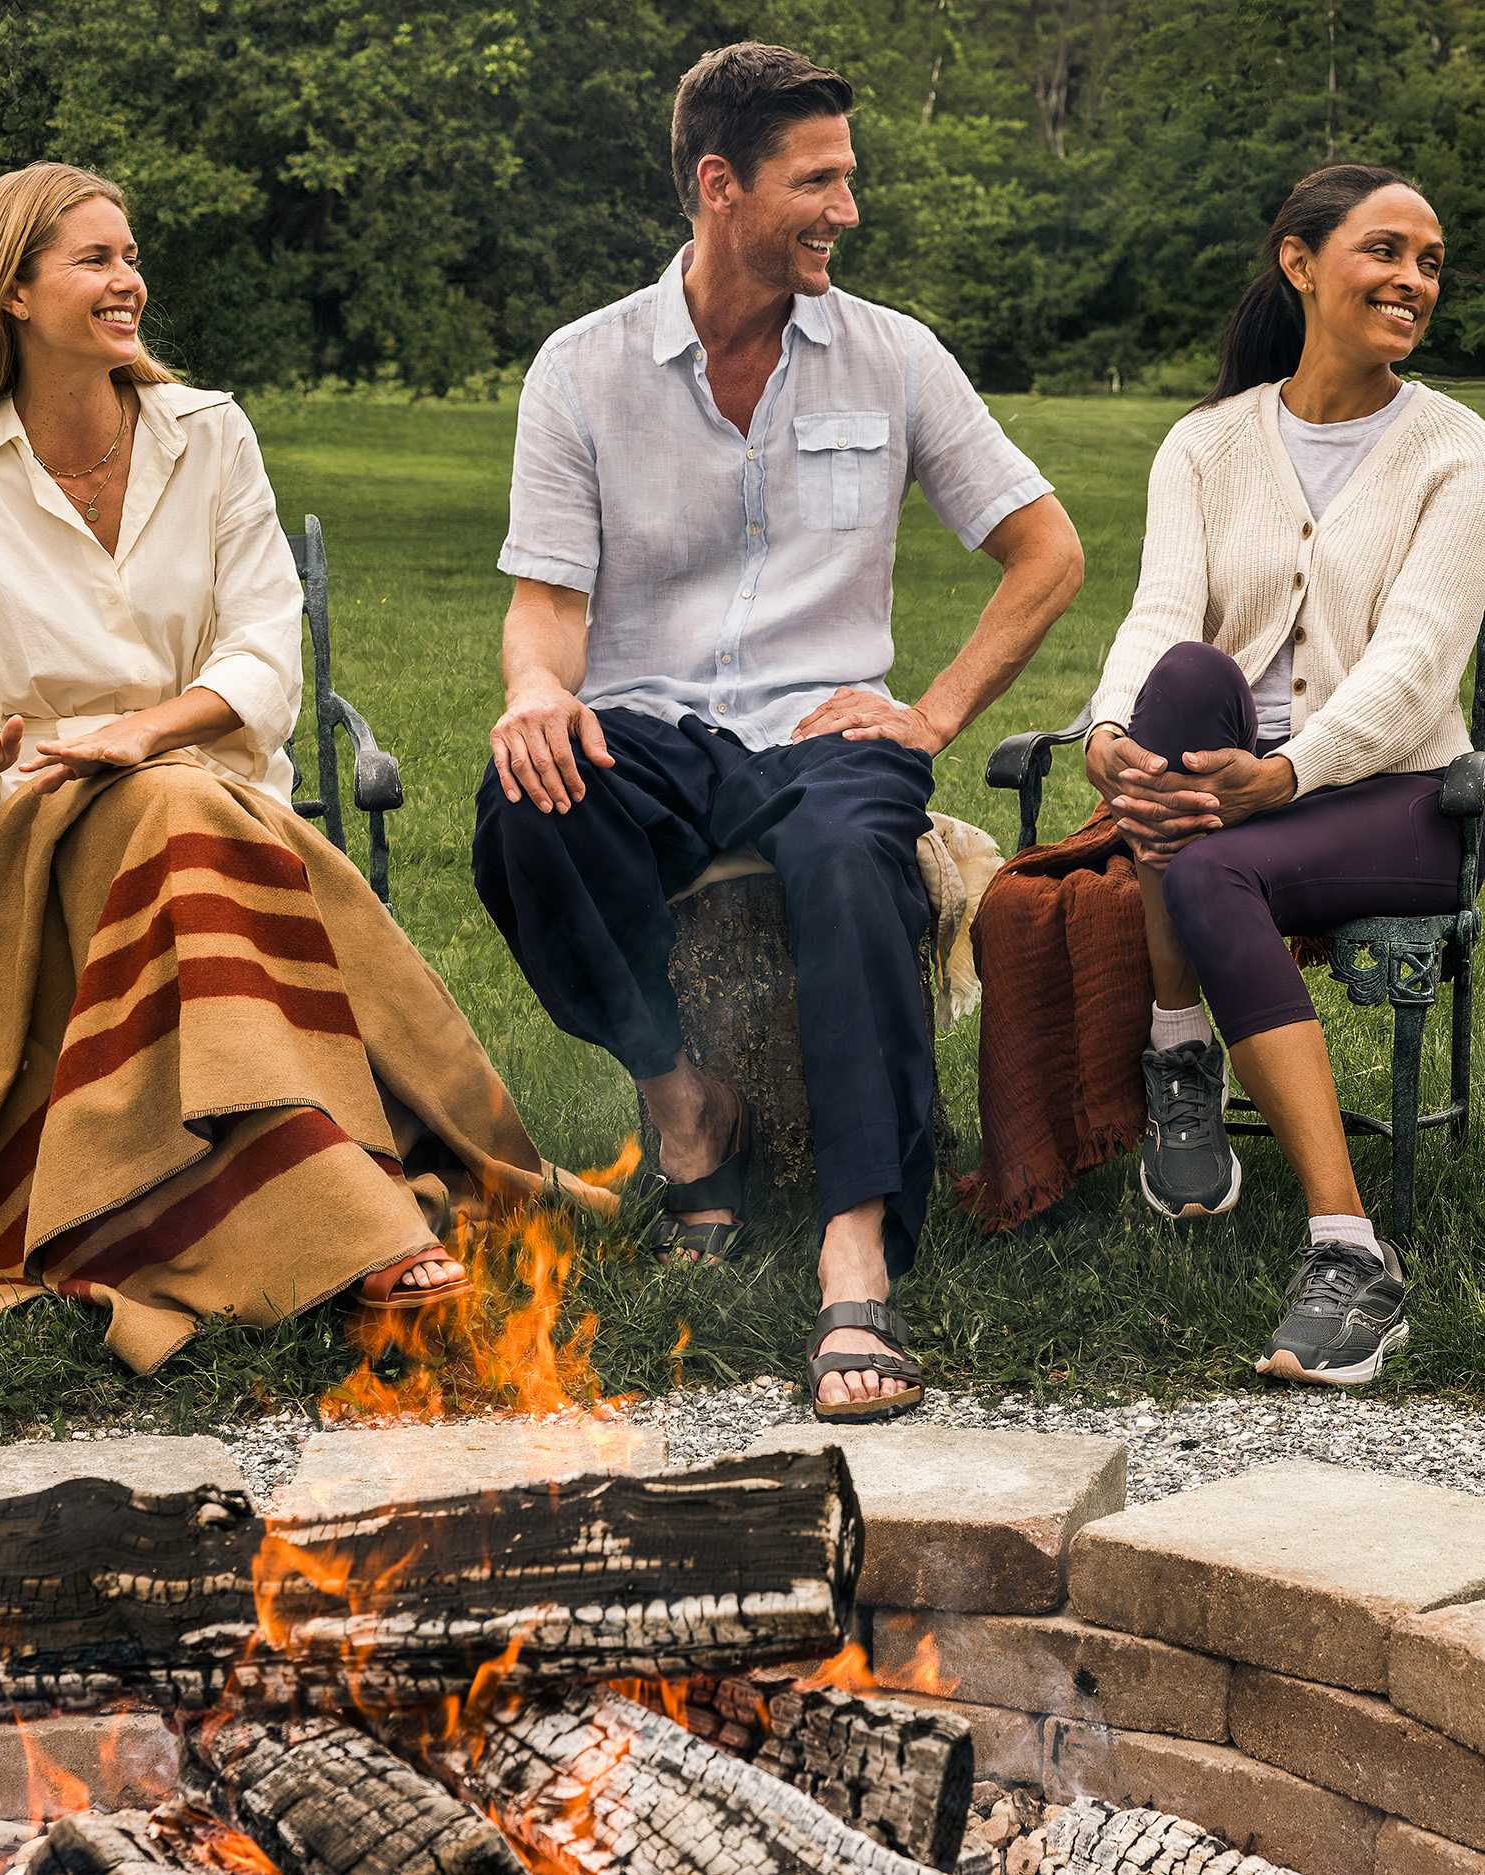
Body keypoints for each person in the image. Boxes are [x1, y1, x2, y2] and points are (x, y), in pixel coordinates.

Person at [472, 43, 1083, 1422]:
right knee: (523, 807)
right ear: (718, 185)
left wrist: (929, 714)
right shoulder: (583, 370)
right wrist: (533, 692)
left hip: (828, 731)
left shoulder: (894, 355)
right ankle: (687, 1103)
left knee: (853, 869)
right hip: (652, 727)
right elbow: (546, 604)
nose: (846, 211)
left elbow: (1047, 551)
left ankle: (854, 1248)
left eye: (848, 179)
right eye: (818, 182)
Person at [0, 162, 612, 1375]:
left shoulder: (206, 435)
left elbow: (267, 643)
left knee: (174, 802)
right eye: (96, 260)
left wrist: (152, 733)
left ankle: (302, 1208)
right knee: (165, 805)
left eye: (131, 255)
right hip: (29, 842)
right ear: (12, 293)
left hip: (212, 813)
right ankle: (366, 1205)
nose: (132, 281)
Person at [1083, 163, 1485, 1385]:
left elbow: (1417, 664)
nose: (1413, 280)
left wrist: (1292, 773)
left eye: (1429, 262)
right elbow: (1158, 612)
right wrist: (1108, 736)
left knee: (1207, 872)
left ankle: (1350, 1250)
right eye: (1385, 251)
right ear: (1302, 263)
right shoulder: (1206, 445)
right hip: (1222, 775)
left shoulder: (1457, 450)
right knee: (1191, 671)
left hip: (1397, 799)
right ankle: (1177, 1048)